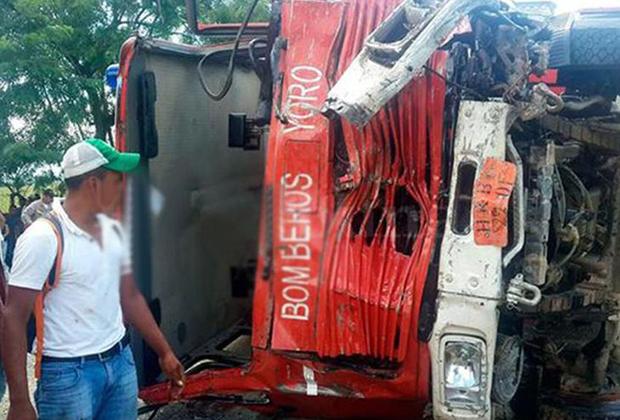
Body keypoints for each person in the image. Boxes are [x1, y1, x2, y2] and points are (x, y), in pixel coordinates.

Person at [1, 138, 185, 420]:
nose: (124, 187)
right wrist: (19, 401)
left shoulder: (113, 230)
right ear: (93, 184)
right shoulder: (43, 237)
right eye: (117, 179)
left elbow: (130, 296)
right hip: (67, 377)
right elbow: (12, 318)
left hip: (120, 363)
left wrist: (165, 352)